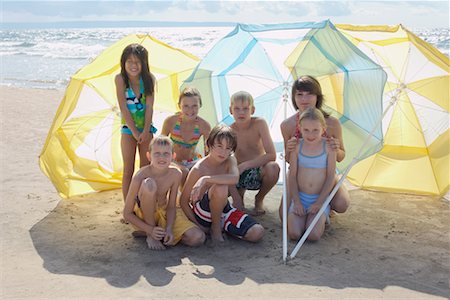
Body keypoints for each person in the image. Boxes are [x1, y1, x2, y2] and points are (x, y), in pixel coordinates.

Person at [179, 124, 264, 245]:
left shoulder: (230, 160)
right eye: (219, 146)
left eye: (228, 148)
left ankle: (225, 226)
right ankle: (216, 229)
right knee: (221, 187)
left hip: (224, 210)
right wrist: (196, 224)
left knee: (257, 232)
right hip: (203, 214)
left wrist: (206, 179)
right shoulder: (199, 169)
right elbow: (183, 201)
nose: (223, 152)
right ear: (209, 145)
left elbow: (234, 179)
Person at [279, 75, 350, 219]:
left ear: (318, 96)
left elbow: (342, 157)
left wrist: (336, 149)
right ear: (294, 97)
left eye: (309, 94)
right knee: (283, 216)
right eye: (300, 95)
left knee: (342, 204)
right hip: (297, 173)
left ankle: (325, 205)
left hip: (325, 173)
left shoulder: (331, 123)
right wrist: (288, 149)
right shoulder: (287, 125)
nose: (304, 99)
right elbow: (288, 160)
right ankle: (303, 204)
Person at [123, 136, 205, 250]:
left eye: (166, 154)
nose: (161, 157)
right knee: (149, 184)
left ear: (173, 156)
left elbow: (172, 206)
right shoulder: (140, 176)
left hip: (164, 212)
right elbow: (127, 214)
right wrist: (150, 230)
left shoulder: (176, 174)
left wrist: (169, 229)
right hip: (144, 216)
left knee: (197, 238)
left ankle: (160, 233)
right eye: (157, 153)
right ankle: (151, 233)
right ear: (148, 156)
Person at [115, 43, 157, 202]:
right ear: (123, 63)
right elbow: (123, 107)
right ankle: (128, 205)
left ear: (144, 63)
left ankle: (143, 201)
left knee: (146, 169)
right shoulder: (120, 79)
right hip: (128, 129)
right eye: (129, 61)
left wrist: (146, 131)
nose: (133, 65)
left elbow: (149, 106)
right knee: (128, 169)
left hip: (146, 128)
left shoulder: (149, 79)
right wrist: (134, 131)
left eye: (137, 62)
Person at [287, 107, 336, 241]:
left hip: (319, 198)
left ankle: (322, 217)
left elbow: (331, 176)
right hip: (301, 197)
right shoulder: (297, 146)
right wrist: (296, 201)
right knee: (294, 234)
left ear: (323, 128)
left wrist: (320, 202)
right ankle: (305, 217)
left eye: (316, 130)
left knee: (312, 236)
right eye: (306, 130)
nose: (310, 135)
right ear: (300, 128)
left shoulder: (329, 147)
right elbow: (292, 176)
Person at [228, 91, 280, 215]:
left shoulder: (259, 123)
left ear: (253, 110)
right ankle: (240, 194)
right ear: (231, 110)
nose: (241, 112)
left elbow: (272, 155)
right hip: (239, 173)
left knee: (273, 168)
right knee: (220, 190)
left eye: (246, 108)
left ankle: (259, 199)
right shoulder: (230, 130)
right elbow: (224, 159)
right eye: (237, 109)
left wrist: (245, 165)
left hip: (257, 171)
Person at [161, 86, 211, 186]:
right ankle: (183, 199)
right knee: (183, 172)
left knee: (198, 173)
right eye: (186, 106)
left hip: (193, 160)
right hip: (173, 160)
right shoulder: (171, 121)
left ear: (200, 105)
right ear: (179, 106)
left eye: (194, 106)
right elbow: (161, 145)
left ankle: (190, 199)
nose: (190, 110)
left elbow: (209, 152)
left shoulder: (204, 125)